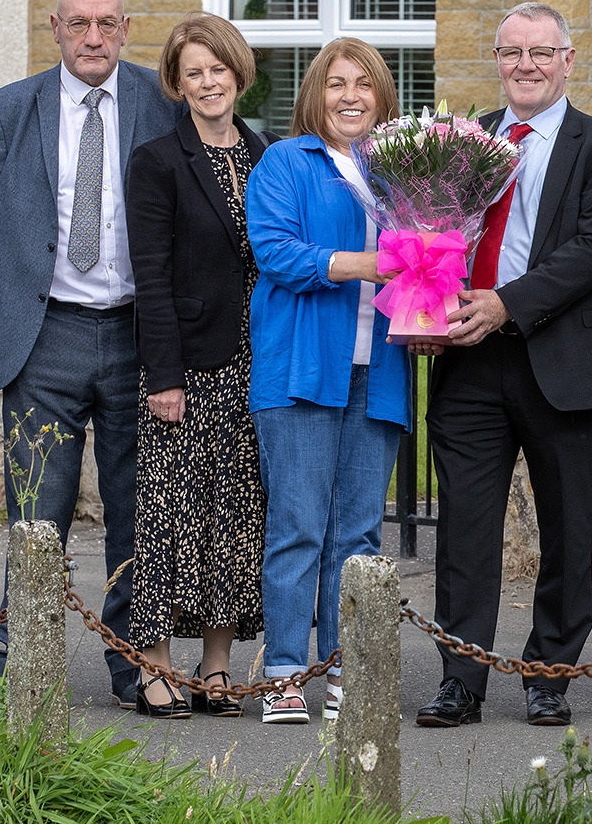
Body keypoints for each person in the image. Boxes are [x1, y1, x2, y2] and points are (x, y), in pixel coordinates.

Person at [0, 0, 181, 706]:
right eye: (78, 24)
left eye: (107, 24)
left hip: (138, 339)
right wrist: (20, 284)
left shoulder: (162, 104)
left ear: (126, 28)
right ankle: (27, 668)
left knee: (137, 513)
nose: (93, 38)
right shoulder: (12, 110)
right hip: (44, 337)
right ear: (54, 28)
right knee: (34, 515)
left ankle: (132, 668)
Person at [413, 3, 592, 730]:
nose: (526, 65)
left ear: (569, 60)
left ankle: (550, 675)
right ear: (497, 58)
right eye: (512, 52)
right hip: (469, 363)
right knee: (464, 531)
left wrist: (507, 304)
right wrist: (420, 313)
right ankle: (461, 679)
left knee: (568, 532)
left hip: (564, 360)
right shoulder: (461, 141)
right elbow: (428, 236)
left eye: (541, 53)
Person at [244, 38, 407, 725]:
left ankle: (345, 670)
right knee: (298, 526)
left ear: (380, 96)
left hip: (381, 369)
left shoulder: (401, 170)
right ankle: (285, 671)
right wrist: (363, 263)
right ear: (316, 93)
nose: (349, 96)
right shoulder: (287, 161)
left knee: (359, 533)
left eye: (363, 84)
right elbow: (276, 250)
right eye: (336, 83)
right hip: (304, 368)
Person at [124, 15, 269, 719]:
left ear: (238, 73)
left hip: (254, 365)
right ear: (177, 86)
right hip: (187, 371)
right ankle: (155, 668)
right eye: (194, 73)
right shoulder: (156, 160)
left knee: (235, 518)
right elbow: (149, 277)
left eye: (218, 70)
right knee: (168, 517)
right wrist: (164, 377)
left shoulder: (266, 152)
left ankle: (216, 669)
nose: (208, 84)